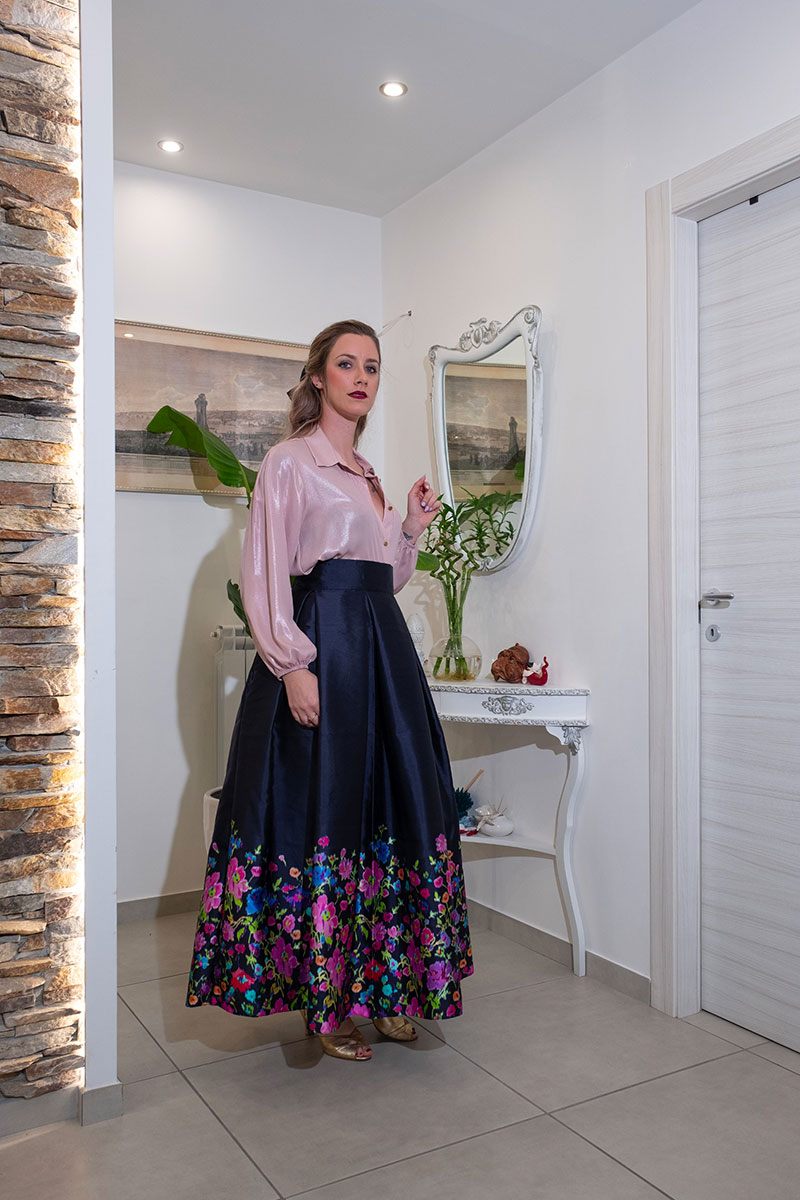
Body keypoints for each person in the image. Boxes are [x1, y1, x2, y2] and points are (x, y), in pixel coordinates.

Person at [187, 318, 473, 1061]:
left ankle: (386, 989)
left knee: (391, 810)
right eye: (347, 364)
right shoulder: (290, 462)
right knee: (328, 812)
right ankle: (330, 1005)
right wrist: (292, 665)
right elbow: (265, 569)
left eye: (371, 367)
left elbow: (385, 579)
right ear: (318, 377)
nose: (361, 377)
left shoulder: (369, 473)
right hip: (324, 653)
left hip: (381, 659)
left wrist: (409, 527)